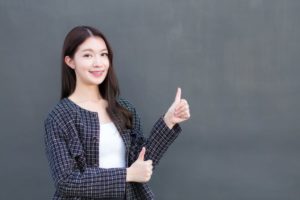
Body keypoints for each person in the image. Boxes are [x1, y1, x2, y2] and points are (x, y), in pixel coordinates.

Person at [44, 25, 190, 200]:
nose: (98, 62)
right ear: (70, 61)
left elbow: (141, 164)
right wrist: (127, 175)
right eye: (88, 55)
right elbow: (66, 181)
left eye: (103, 54)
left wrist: (168, 121)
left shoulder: (123, 108)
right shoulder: (60, 117)